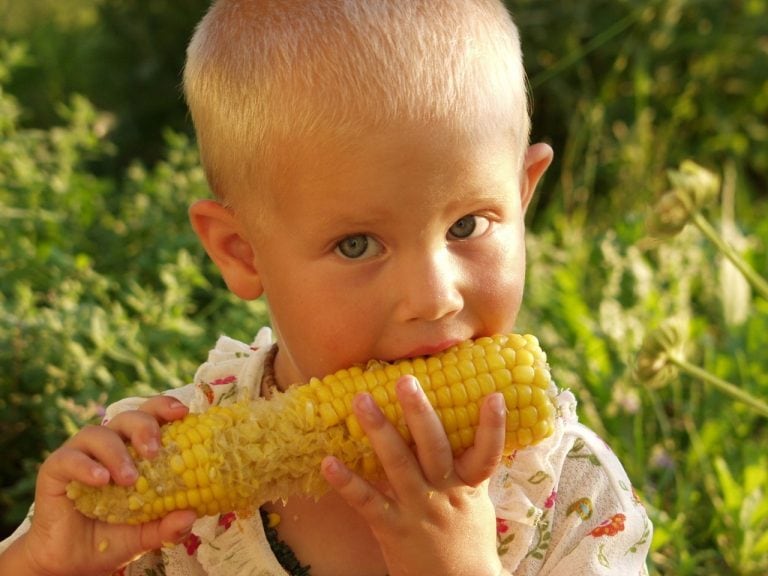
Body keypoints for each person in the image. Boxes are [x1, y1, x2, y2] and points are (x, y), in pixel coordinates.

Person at [0, 1, 652, 574]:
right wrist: (43, 565)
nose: (434, 296)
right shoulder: (154, 478)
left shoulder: (567, 489)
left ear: (523, 194)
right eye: (357, 244)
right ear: (241, 251)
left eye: (467, 224)